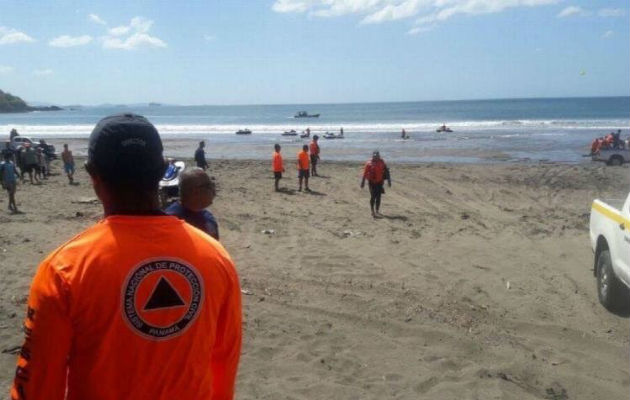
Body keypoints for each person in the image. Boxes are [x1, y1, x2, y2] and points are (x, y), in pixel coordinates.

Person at [11, 113, 242, 400]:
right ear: (163, 171)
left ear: (92, 174)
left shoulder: (64, 270)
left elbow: (37, 386)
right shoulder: (215, 257)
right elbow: (224, 360)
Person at [165, 168, 220, 240]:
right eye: (209, 185)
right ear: (195, 191)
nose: (213, 189)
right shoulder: (171, 221)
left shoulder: (208, 216)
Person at [361, 150, 391, 218]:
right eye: (374, 156)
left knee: (378, 197)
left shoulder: (382, 162)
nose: (376, 157)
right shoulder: (369, 163)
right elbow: (365, 173)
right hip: (372, 182)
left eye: (377, 156)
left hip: (380, 182)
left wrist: (389, 181)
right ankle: (372, 211)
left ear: (379, 156)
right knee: (373, 196)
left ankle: (377, 210)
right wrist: (362, 182)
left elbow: (386, 171)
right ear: (372, 156)